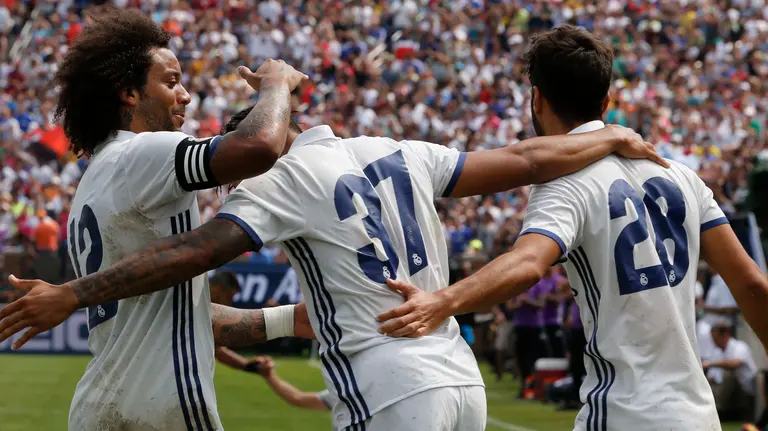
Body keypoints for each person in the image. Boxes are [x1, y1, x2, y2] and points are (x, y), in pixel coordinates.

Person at [0, 100, 664, 429]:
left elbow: (194, 250)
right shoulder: (398, 148)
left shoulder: (280, 177)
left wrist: (73, 294)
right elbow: (524, 162)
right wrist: (613, 133)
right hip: (462, 387)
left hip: (390, 384)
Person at [375, 25, 768, 431]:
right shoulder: (682, 176)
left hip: (623, 414)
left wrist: (443, 301)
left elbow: (528, 263)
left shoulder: (566, 183)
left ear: (537, 99)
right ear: (607, 100)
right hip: (699, 417)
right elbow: (752, 285)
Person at [0, 9, 314, 431]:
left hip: (101, 407)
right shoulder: (146, 153)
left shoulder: (93, 182)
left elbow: (163, 312)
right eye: (170, 82)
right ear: (129, 93)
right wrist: (276, 85)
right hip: (160, 406)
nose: (185, 95)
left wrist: (287, 319)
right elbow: (259, 146)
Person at [704, 321, 758, 421]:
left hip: (745, 389)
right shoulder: (717, 352)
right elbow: (712, 377)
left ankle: (719, 412)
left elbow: (734, 364)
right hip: (727, 392)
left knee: (728, 374)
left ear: (724, 334)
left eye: (715, 338)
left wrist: (711, 364)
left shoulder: (739, 346)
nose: (713, 342)